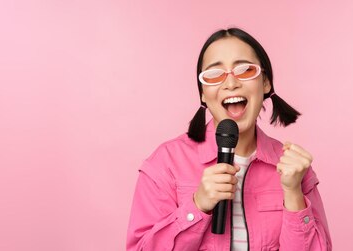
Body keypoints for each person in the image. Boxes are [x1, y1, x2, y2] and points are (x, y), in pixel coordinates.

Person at [126, 27, 332, 251]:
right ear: (203, 93)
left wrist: (293, 194)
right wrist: (197, 206)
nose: (231, 83)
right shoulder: (165, 163)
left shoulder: (293, 168)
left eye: (244, 70)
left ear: (265, 83)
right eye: (215, 74)